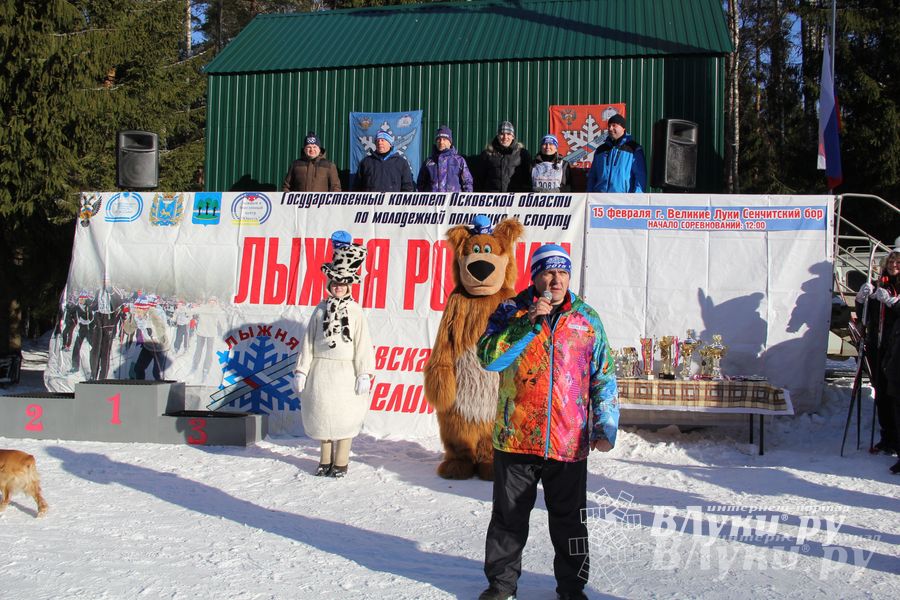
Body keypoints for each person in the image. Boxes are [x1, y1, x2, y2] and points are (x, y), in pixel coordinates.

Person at [476, 244, 620, 600]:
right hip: (516, 436)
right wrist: (528, 322)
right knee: (508, 518)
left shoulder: (587, 318)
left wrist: (605, 425)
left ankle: (572, 589)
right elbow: (488, 358)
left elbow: (603, 374)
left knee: (570, 520)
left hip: (567, 439)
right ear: (535, 275)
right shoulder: (511, 310)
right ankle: (502, 586)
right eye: (548, 272)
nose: (555, 280)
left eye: (562, 272)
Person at [292, 231, 376, 478]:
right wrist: (301, 370)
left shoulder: (355, 310)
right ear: (329, 285)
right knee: (322, 416)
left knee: (344, 417)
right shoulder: (319, 310)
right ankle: (324, 459)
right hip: (321, 372)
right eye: (335, 284)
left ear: (349, 285)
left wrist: (364, 373)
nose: (339, 288)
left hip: (344, 373)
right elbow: (308, 341)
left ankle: (341, 461)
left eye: (343, 284)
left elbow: (363, 343)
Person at [855, 247, 900, 473]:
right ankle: (887, 436)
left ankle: (898, 439)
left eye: (898, 263)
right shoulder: (879, 283)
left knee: (895, 395)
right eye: (891, 262)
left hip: (896, 348)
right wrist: (862, 299)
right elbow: (866, 315)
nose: (894, 266)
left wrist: (893, 302)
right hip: (878, 345)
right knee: (881, 391)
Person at [586, 113, 647, 193]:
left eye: (614, 125)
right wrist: (589, 194)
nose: (610, 128)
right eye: (609, 126)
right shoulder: (600, 150)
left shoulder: (634, 148)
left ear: (623, 128)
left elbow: (640, 176)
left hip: (623, 199)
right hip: (600, 198)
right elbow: (592, 175)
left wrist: (636, 198)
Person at [477, 121, 532, 192]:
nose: (505, 137)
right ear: (497, 136)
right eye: (502, 134)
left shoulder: (522, 153)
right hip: (493, 198)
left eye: (508, 134)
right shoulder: (487, 153)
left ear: (513, 136)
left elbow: (528, 178)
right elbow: (480, 178)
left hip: (515, 198)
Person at [416, 126, 474, 192]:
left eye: (444, 139)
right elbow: (420, 184)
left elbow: (467, 182)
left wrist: (466, 199)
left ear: (450, 142)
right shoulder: (428, 162)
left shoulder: (459, 161)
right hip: (433, 201)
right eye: (439, 139)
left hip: (453, 201)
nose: (441, 142)